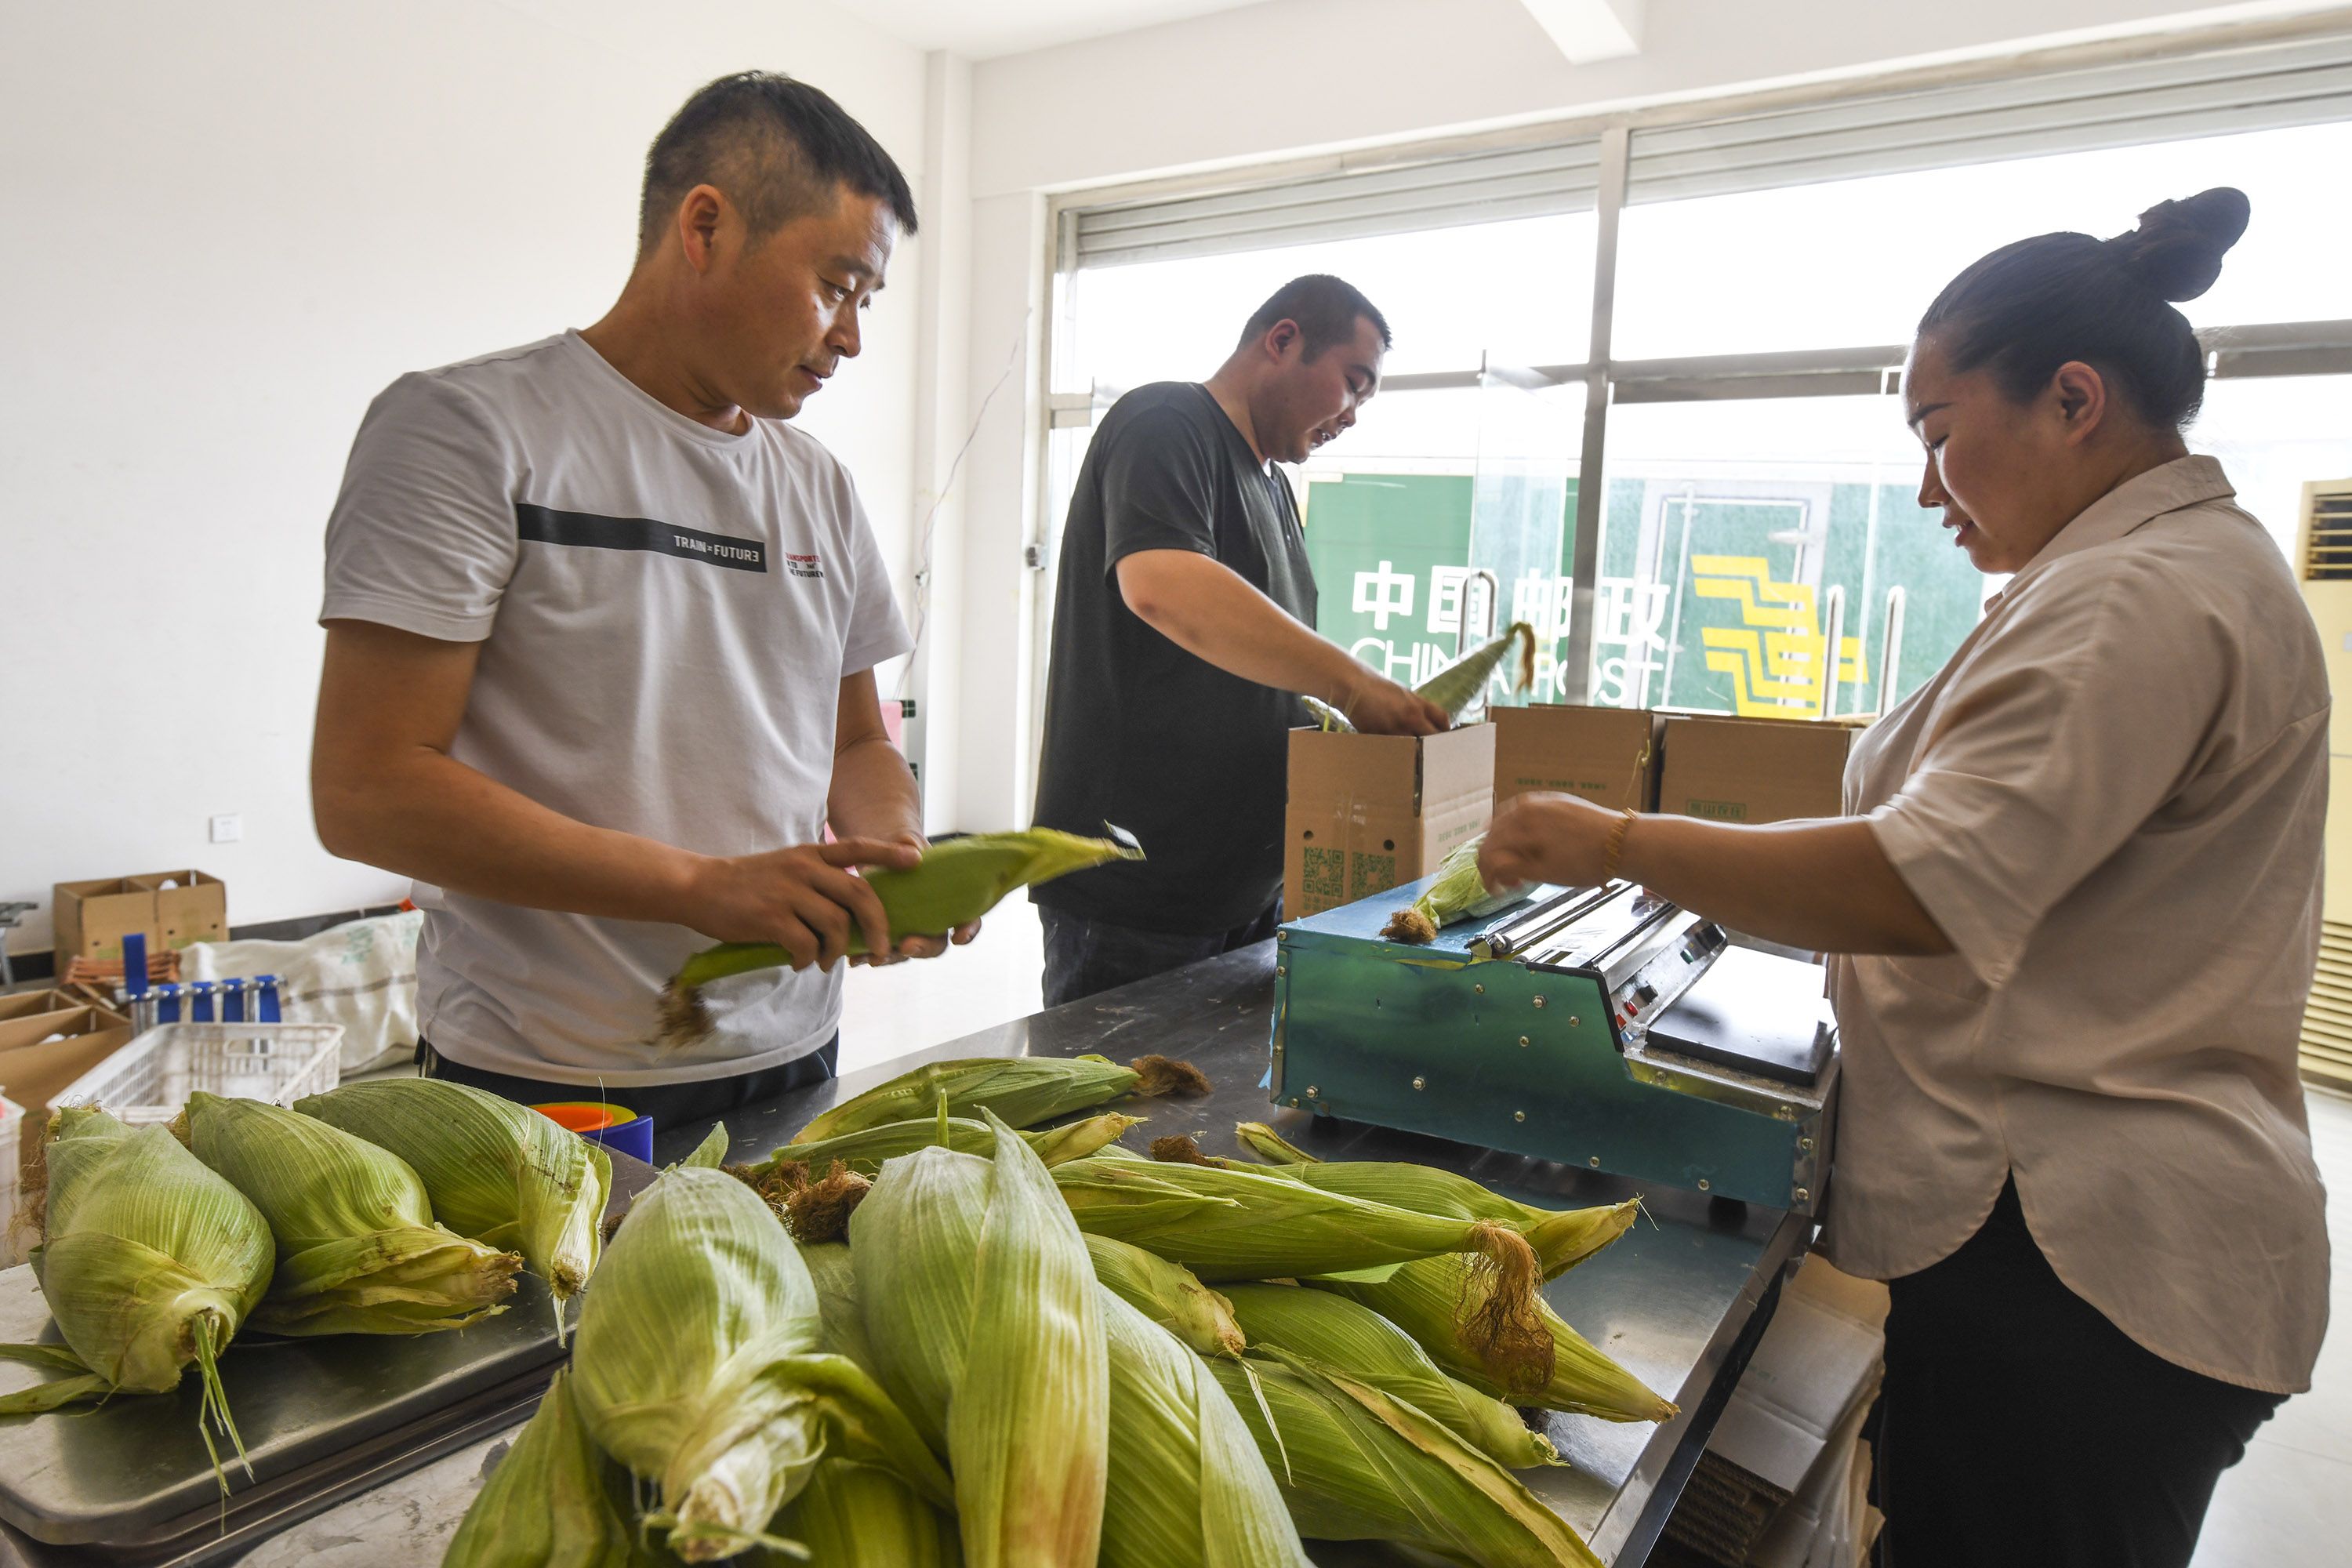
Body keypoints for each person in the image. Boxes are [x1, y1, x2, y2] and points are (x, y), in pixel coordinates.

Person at [1479, 188, 2328, 1568]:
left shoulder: (2139, 595)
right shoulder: (2138, 575)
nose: (1930, 488)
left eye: (1940, 433)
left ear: (2073, 399)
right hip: (2068, 1246)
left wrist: (1618, 843)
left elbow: (1921, 883)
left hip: (2079, 1260)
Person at [311, 73, 971, 1126]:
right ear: (704, 227)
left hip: (794, 1048)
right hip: (545, 1070)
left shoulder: (817, 485)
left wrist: (895, 857)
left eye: (868, 301)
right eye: (836, 285)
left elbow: (856, 741)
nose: (851, 336)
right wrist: (701, 888)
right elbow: (368, 788)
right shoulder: (468, 431)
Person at [1030, 275, 1450, 1007]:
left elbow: (1261, 668)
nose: (1352, 415)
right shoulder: (1166, 422)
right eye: (1353, 384)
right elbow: (1161, 584)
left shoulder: (1274, 487)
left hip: (1246, 891)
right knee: (1118, 1084)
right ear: (1282, 340)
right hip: (1137, 893)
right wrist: (1354, 685)